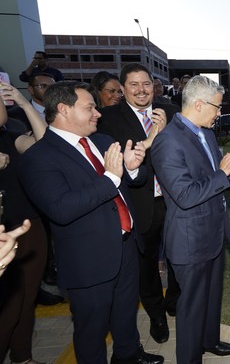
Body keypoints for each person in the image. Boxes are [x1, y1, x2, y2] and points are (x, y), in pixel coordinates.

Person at [18, 81, 163, 364]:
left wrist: (132, 170)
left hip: (126, 247)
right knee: (91, 330)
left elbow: (137, 179)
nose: (97, 113)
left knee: (125, 312)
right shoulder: (38, 158)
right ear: (63, 109)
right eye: (89, 107)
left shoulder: (103, 141)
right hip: (89, 260)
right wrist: (111, 177)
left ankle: (128, 354)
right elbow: (61, 209)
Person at [152, 75, 230, 363]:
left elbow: (210, 175)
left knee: (211, 297)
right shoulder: (167, 142)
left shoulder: (207, 133)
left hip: (213, 231)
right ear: (198, 104)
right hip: (190, 239)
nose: (219, 113)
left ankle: (209, 341)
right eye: (217, 107)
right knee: (192, 307)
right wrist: (223, 175)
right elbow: (185, 195)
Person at [97, 63, 180, 344]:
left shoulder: (169, 111)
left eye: (146, 84)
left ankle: (175, 301)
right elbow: (127, 157)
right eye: (134, 85)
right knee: (147, 266)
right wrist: (157, 134)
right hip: (141, 203)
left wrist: (168, 131)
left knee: (181, 255)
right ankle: (156, 314)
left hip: (174, 199)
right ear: (122, 88)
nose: (141, 90)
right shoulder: (108, 118)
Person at [0, 82, 49, 364]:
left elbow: (44, 146)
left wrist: (25, 104)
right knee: (6, 307)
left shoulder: (12, 133)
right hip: (3, 235)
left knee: (26, 298)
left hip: (29, 228)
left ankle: (22, 357)